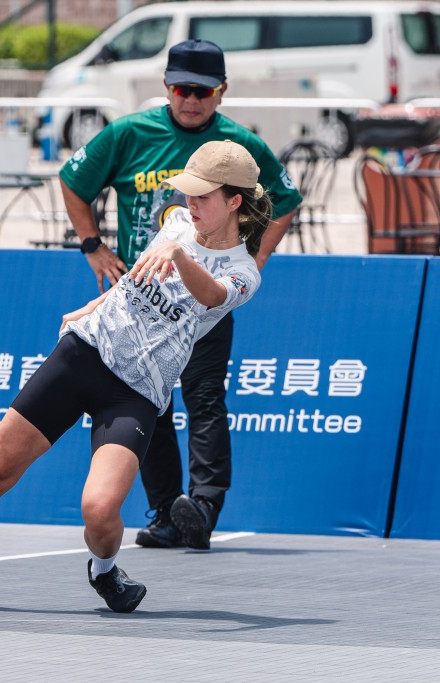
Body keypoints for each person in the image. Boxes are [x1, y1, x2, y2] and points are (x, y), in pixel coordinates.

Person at [0, 140, 270, 613]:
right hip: (84, 353)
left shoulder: (243, 272)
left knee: (98, 508)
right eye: (189, 193)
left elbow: (213, 296)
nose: (190, 203)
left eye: (203, 196)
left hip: (135, 391)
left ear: (235, 200)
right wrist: (92, 307)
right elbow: (137, 278)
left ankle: (105, 569)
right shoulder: (176, 223)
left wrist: (179, 255)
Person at [59, 39, 303, 550]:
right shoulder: (130, 132)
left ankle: (205, 507)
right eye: (179, 88)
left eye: (201, 90)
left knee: (206, 398)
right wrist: (92, 246)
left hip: (204, 307)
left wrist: (256, 258)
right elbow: (73, 180)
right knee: (149, 403)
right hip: (142, 301)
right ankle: (168, 512)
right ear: (166, 87)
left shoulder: (238, 147)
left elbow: (285, 199)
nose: (190, 99)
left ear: (221, 92)